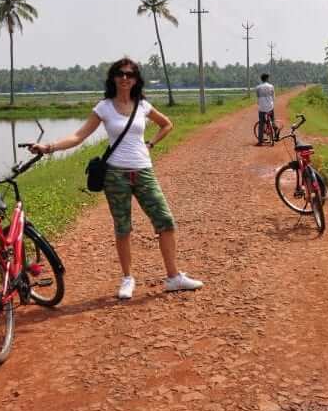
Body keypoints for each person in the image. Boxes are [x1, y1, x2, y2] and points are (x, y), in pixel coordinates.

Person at [30, 58, 203, 300]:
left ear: (136, 79)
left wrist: (151, 143)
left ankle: (174, 277)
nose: (125, 78)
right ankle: (127, 278)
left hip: (143, 171)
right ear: (113, 78)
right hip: (115, 175)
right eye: (120, 74)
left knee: (165, 220)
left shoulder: (142, 105)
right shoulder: (104, 107)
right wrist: (49, 147)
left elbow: (167, 124)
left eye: (130, 75)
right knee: (123, 228)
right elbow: (79, 136)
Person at [255, 72, 276, 145]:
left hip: (262, 108)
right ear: (267, 79)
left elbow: (258, 99)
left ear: (261, 79)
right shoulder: (271, 86)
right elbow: (273, 98)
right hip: (270, 107)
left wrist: (260, 104)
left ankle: (260, 141)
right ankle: (275, 135)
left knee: (261, 124)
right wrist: (271, 103)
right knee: (273, 121)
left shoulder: (258, 87)